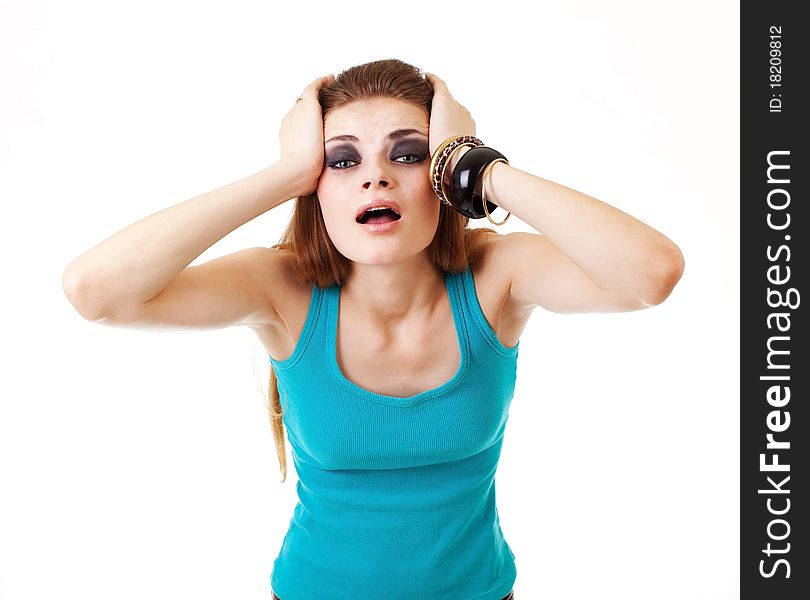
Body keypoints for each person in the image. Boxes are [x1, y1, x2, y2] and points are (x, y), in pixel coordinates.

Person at [62, 58, 684, 599]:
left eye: (410, 154)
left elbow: (650, 274)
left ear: (440, 179)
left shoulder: (496, 276)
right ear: (317, 186)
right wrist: (284, 175)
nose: (375, 176)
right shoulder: (284, 290)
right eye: (341, 160)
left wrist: (476, 168)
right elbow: (97, 292)